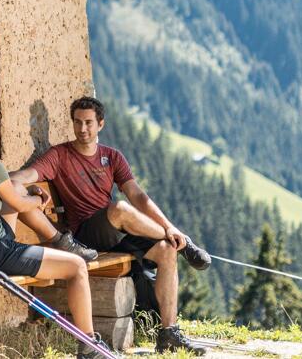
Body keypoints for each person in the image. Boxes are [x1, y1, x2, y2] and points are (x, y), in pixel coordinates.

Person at [12, 97, 211, 356]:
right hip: (85, 235)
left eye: (88, 123)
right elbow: (29, 175)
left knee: (165, 250)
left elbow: (138, 196)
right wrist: (2, 178)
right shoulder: (59, 155)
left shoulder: (112, 157)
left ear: (101, 124)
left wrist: (166, 226)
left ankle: (168, 333)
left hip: (115, 231)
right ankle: (184, 242)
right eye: (77, 122)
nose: (82, 129)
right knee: (119, 209)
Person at [0, 110, 104, 356]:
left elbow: (12, 196)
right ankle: (89, 345)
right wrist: (37, 200)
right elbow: (20, 206)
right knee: (77, 267)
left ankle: (59, 241)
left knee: (17, 186)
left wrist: (27, 193)